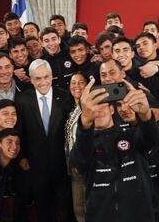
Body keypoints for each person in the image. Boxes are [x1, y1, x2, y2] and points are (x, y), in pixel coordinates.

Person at [70, 78, 158, 222]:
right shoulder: (84, 142)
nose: (97, 111)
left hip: (139, 215)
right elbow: (79, 161)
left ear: (112, 109)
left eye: (102, 105)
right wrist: (85, 123)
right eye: (93, 107)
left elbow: (150, 139)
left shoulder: (132, 133)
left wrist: (146, 115)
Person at [15, 59, 73, 222]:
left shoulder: (65, 96)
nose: (43, 82)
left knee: (63, 205)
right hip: (35, 163)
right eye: (38, 78)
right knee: (42, 205)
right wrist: (22, 157)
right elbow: (21, 131)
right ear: (31, 80)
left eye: (46, 77)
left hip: (62, 162)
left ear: (52, 76)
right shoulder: (22, 99)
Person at [64, 72, 88, 222]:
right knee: (78, 209)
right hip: (73, 167)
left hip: (88, 167)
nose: (77, 86)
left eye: (81, 82)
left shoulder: (91, 107)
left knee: (90, 208)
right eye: (73, 83)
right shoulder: (72, 108)